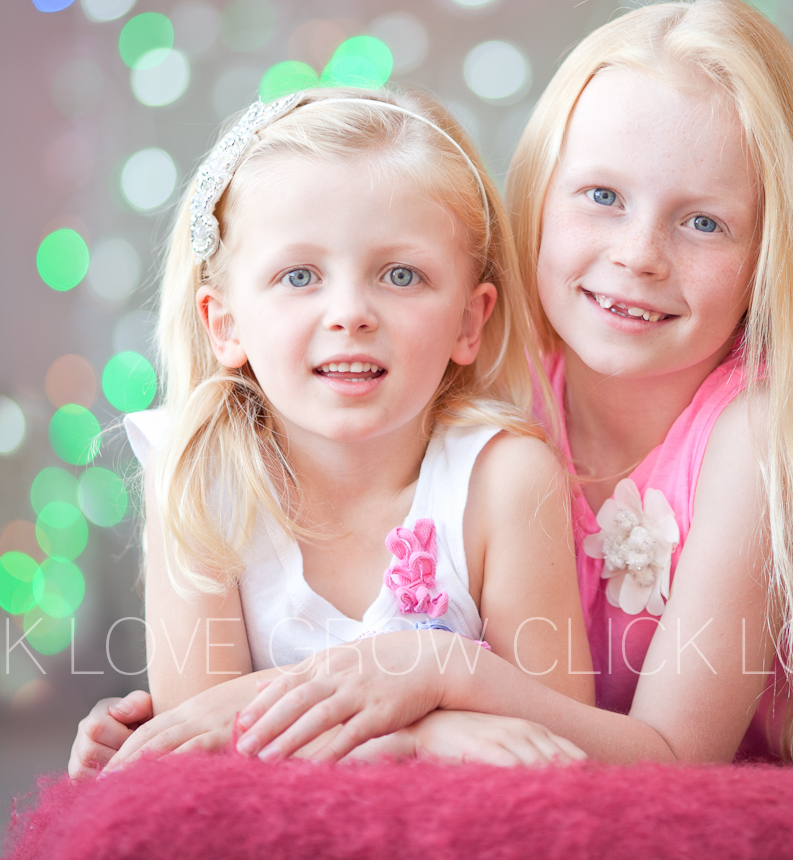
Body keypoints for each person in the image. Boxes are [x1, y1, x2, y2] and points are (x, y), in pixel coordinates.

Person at [73, 0, 793, 844]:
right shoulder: (485, 401)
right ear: (539, 198)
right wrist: (229, 718)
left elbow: (672, 766)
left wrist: (433, 676)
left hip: (698, 798)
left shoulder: (752, 438)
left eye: (705, 222)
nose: (639, 254)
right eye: (601, 196)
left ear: (771, 253)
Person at [69, 88, 593, 772]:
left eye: (401, 274)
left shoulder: (506, 482)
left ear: (470, 320)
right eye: (300, 275)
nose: (350, 312)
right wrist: (430, 735)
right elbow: (198, 745)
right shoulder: (200, 479)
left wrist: (262, 705)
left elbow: (556, 744)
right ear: (224, 323)